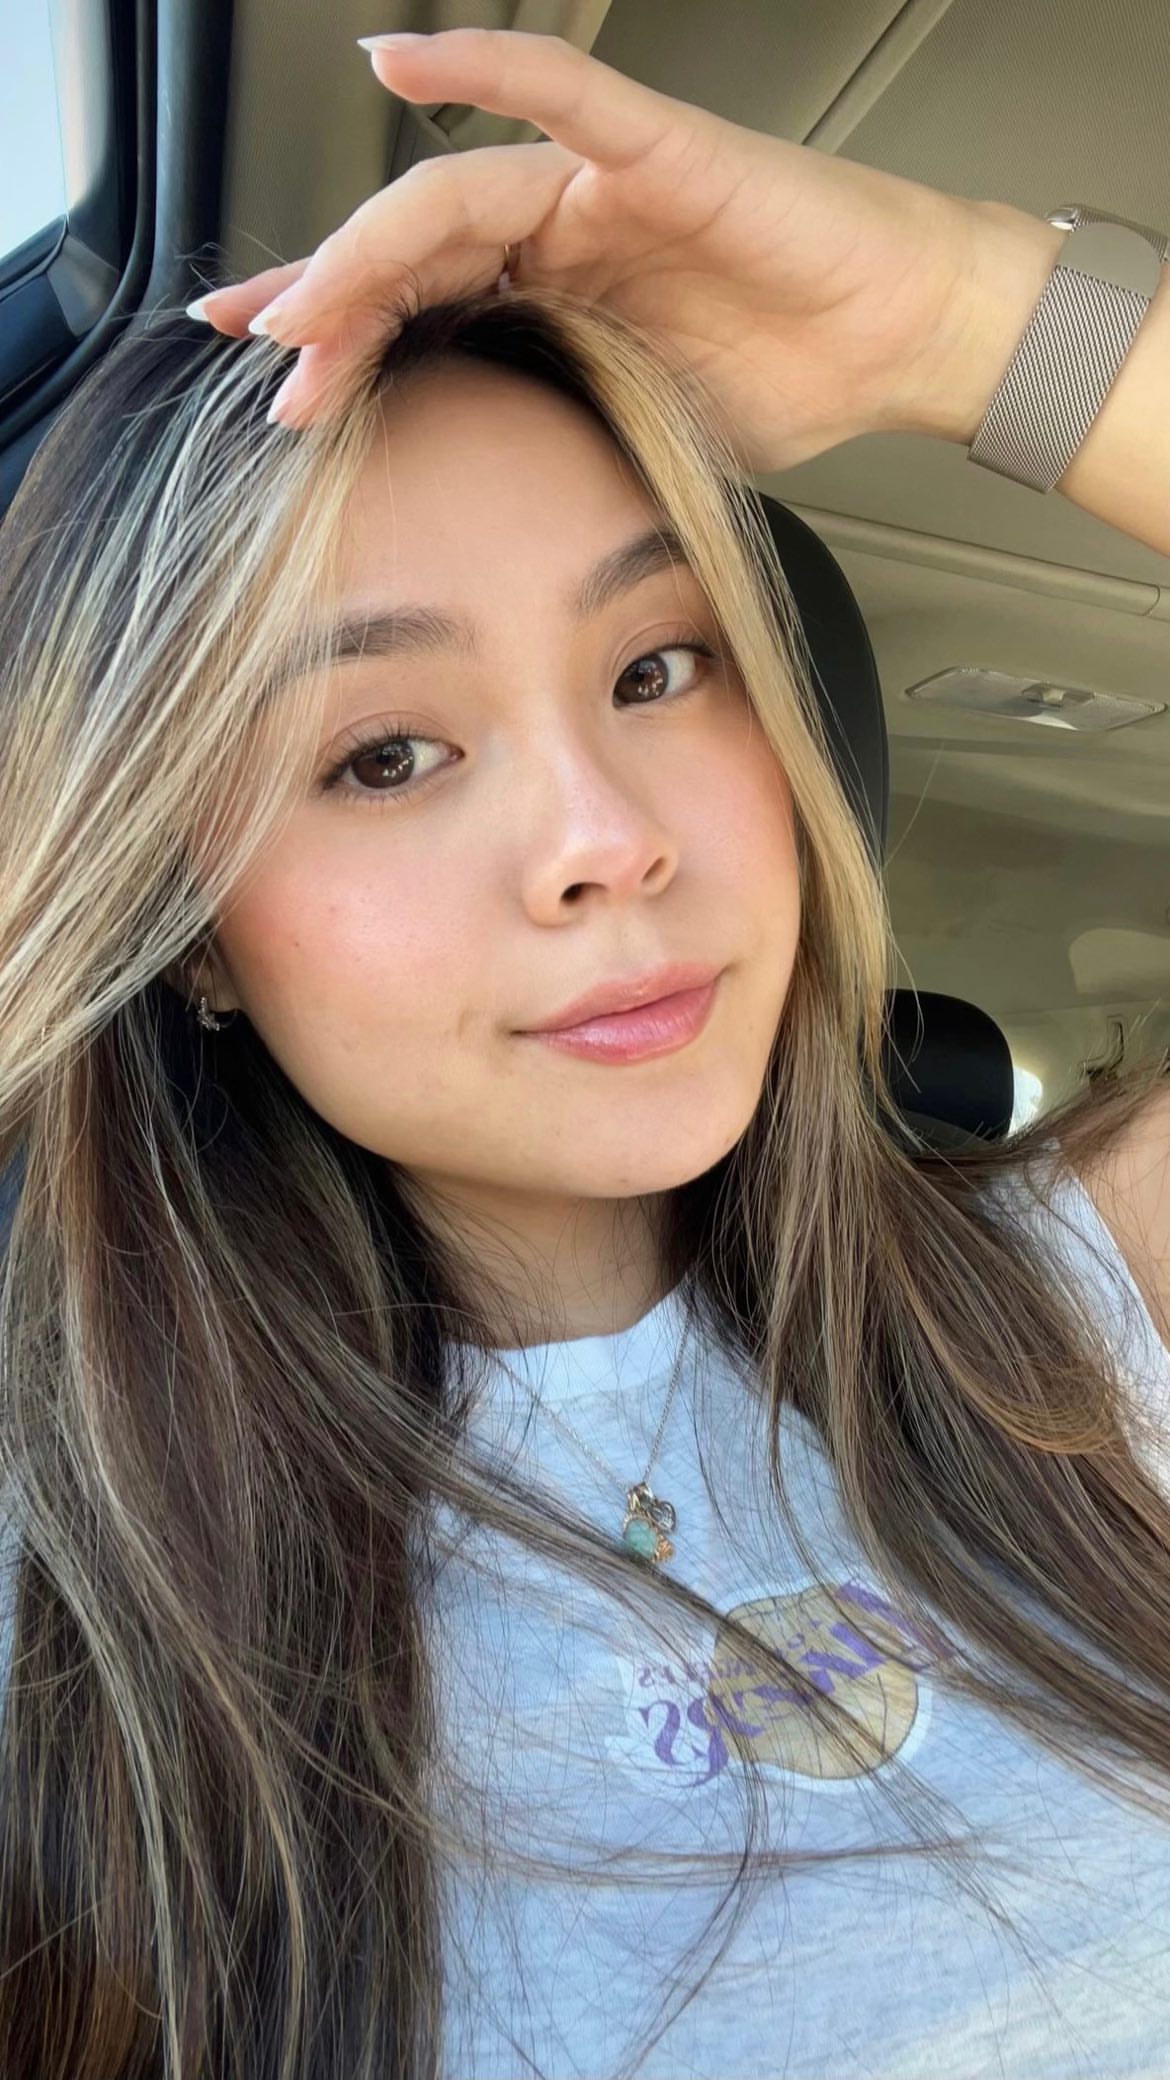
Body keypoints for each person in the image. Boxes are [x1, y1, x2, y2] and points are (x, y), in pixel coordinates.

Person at [0, 24, 1167, 2080]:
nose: (605, 836)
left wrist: (962, 313)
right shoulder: (80, 1611)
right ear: (188, 935)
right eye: (383, 754)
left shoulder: (1082, 1308)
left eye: (656, 665)